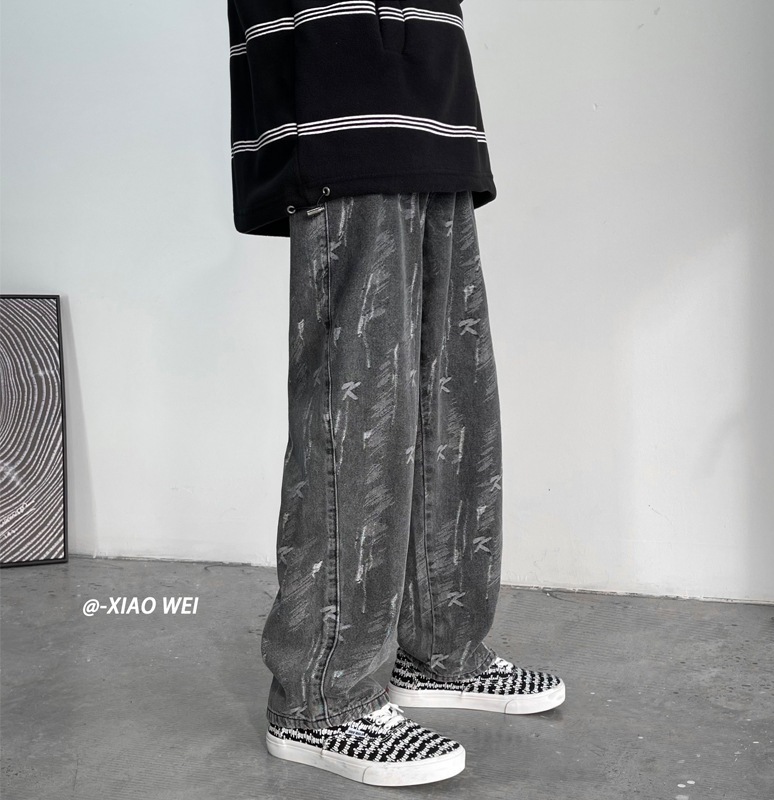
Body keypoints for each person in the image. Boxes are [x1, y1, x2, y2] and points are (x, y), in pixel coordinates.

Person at [227, 0, 565, 786]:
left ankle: (437, 645)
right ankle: (323, 697)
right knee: (361, 404)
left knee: (454, 397)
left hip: (432, 86)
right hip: (340, 70)